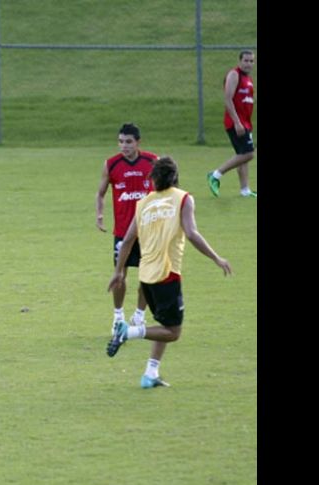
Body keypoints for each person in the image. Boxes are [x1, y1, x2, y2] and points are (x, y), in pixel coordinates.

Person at [107, 156, 232, 388]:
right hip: (167, 274)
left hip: (146, 276)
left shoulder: (143, 203)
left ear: (153, 179)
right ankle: (129, 332)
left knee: (163, 324)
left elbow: (126, 241)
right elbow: (192, 233)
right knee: (173, 332)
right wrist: (216, 257)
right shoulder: (183, 198)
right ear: (175, 177)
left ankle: (150, 373)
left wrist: (118, 272)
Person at [95, 123, 157, 336]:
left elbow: (165, 192)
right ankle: (118, 316)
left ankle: (139, 315)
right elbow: (101, 193)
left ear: (138, 142)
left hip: (149, 230)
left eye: (128, 142)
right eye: (121, 141)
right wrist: (100, 214)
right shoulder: (111, 165)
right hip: (122, 231)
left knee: (149, 276)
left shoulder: (152, 162)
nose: (124, 146)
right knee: (119, 274)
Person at [207, 50, 257, 198]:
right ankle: (215, 174)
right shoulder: (234, 75)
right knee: (249, 154)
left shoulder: (248, 79)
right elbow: (228, 99)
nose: (248, 63)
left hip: (245, 123)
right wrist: (237, 122)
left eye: (251, 61)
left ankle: (245, 190)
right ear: (240, 61)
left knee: (242, 155)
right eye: (246, 60)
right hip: (236, 123)